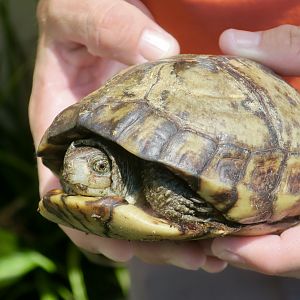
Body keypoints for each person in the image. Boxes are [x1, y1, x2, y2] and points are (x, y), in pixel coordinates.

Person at [29, 0, 300, 298]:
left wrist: (178, 197)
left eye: (99, 167)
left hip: (258, 100)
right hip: (129, 66)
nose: (77, 173)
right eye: (71, 164)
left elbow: (163, 168)